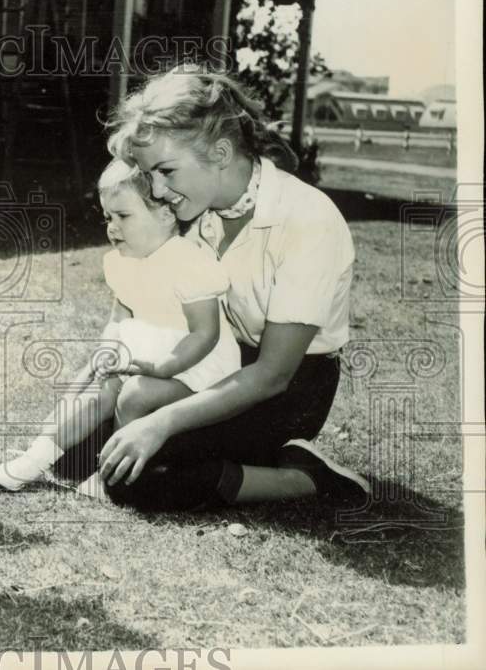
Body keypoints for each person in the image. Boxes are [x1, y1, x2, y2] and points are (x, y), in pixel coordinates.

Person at [92, 65, 370, 511]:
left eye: (166, 171)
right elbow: (137, 294)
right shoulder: (192, 210)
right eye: (150, 174)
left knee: (142, 477)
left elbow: (272, 375)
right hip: (221, 361)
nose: (158, 191)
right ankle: (259, 456)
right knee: (93, 448)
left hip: (292, 384)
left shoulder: (307, 219)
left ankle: (307, 478)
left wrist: (161, 422)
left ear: (220, 153)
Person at [0, 159, 239, 495]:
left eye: (124, 216)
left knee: (136, 393)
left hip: (198, 371)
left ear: (166, 215)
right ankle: (37, 457)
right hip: (144, 360)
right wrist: (106, 350)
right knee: (96, 388)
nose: (112, 227)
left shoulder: (188, 263)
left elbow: (205, 334)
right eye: (108, 217)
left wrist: (164, 367)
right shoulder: (122, 262)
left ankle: (115, 477)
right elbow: (118, 318)